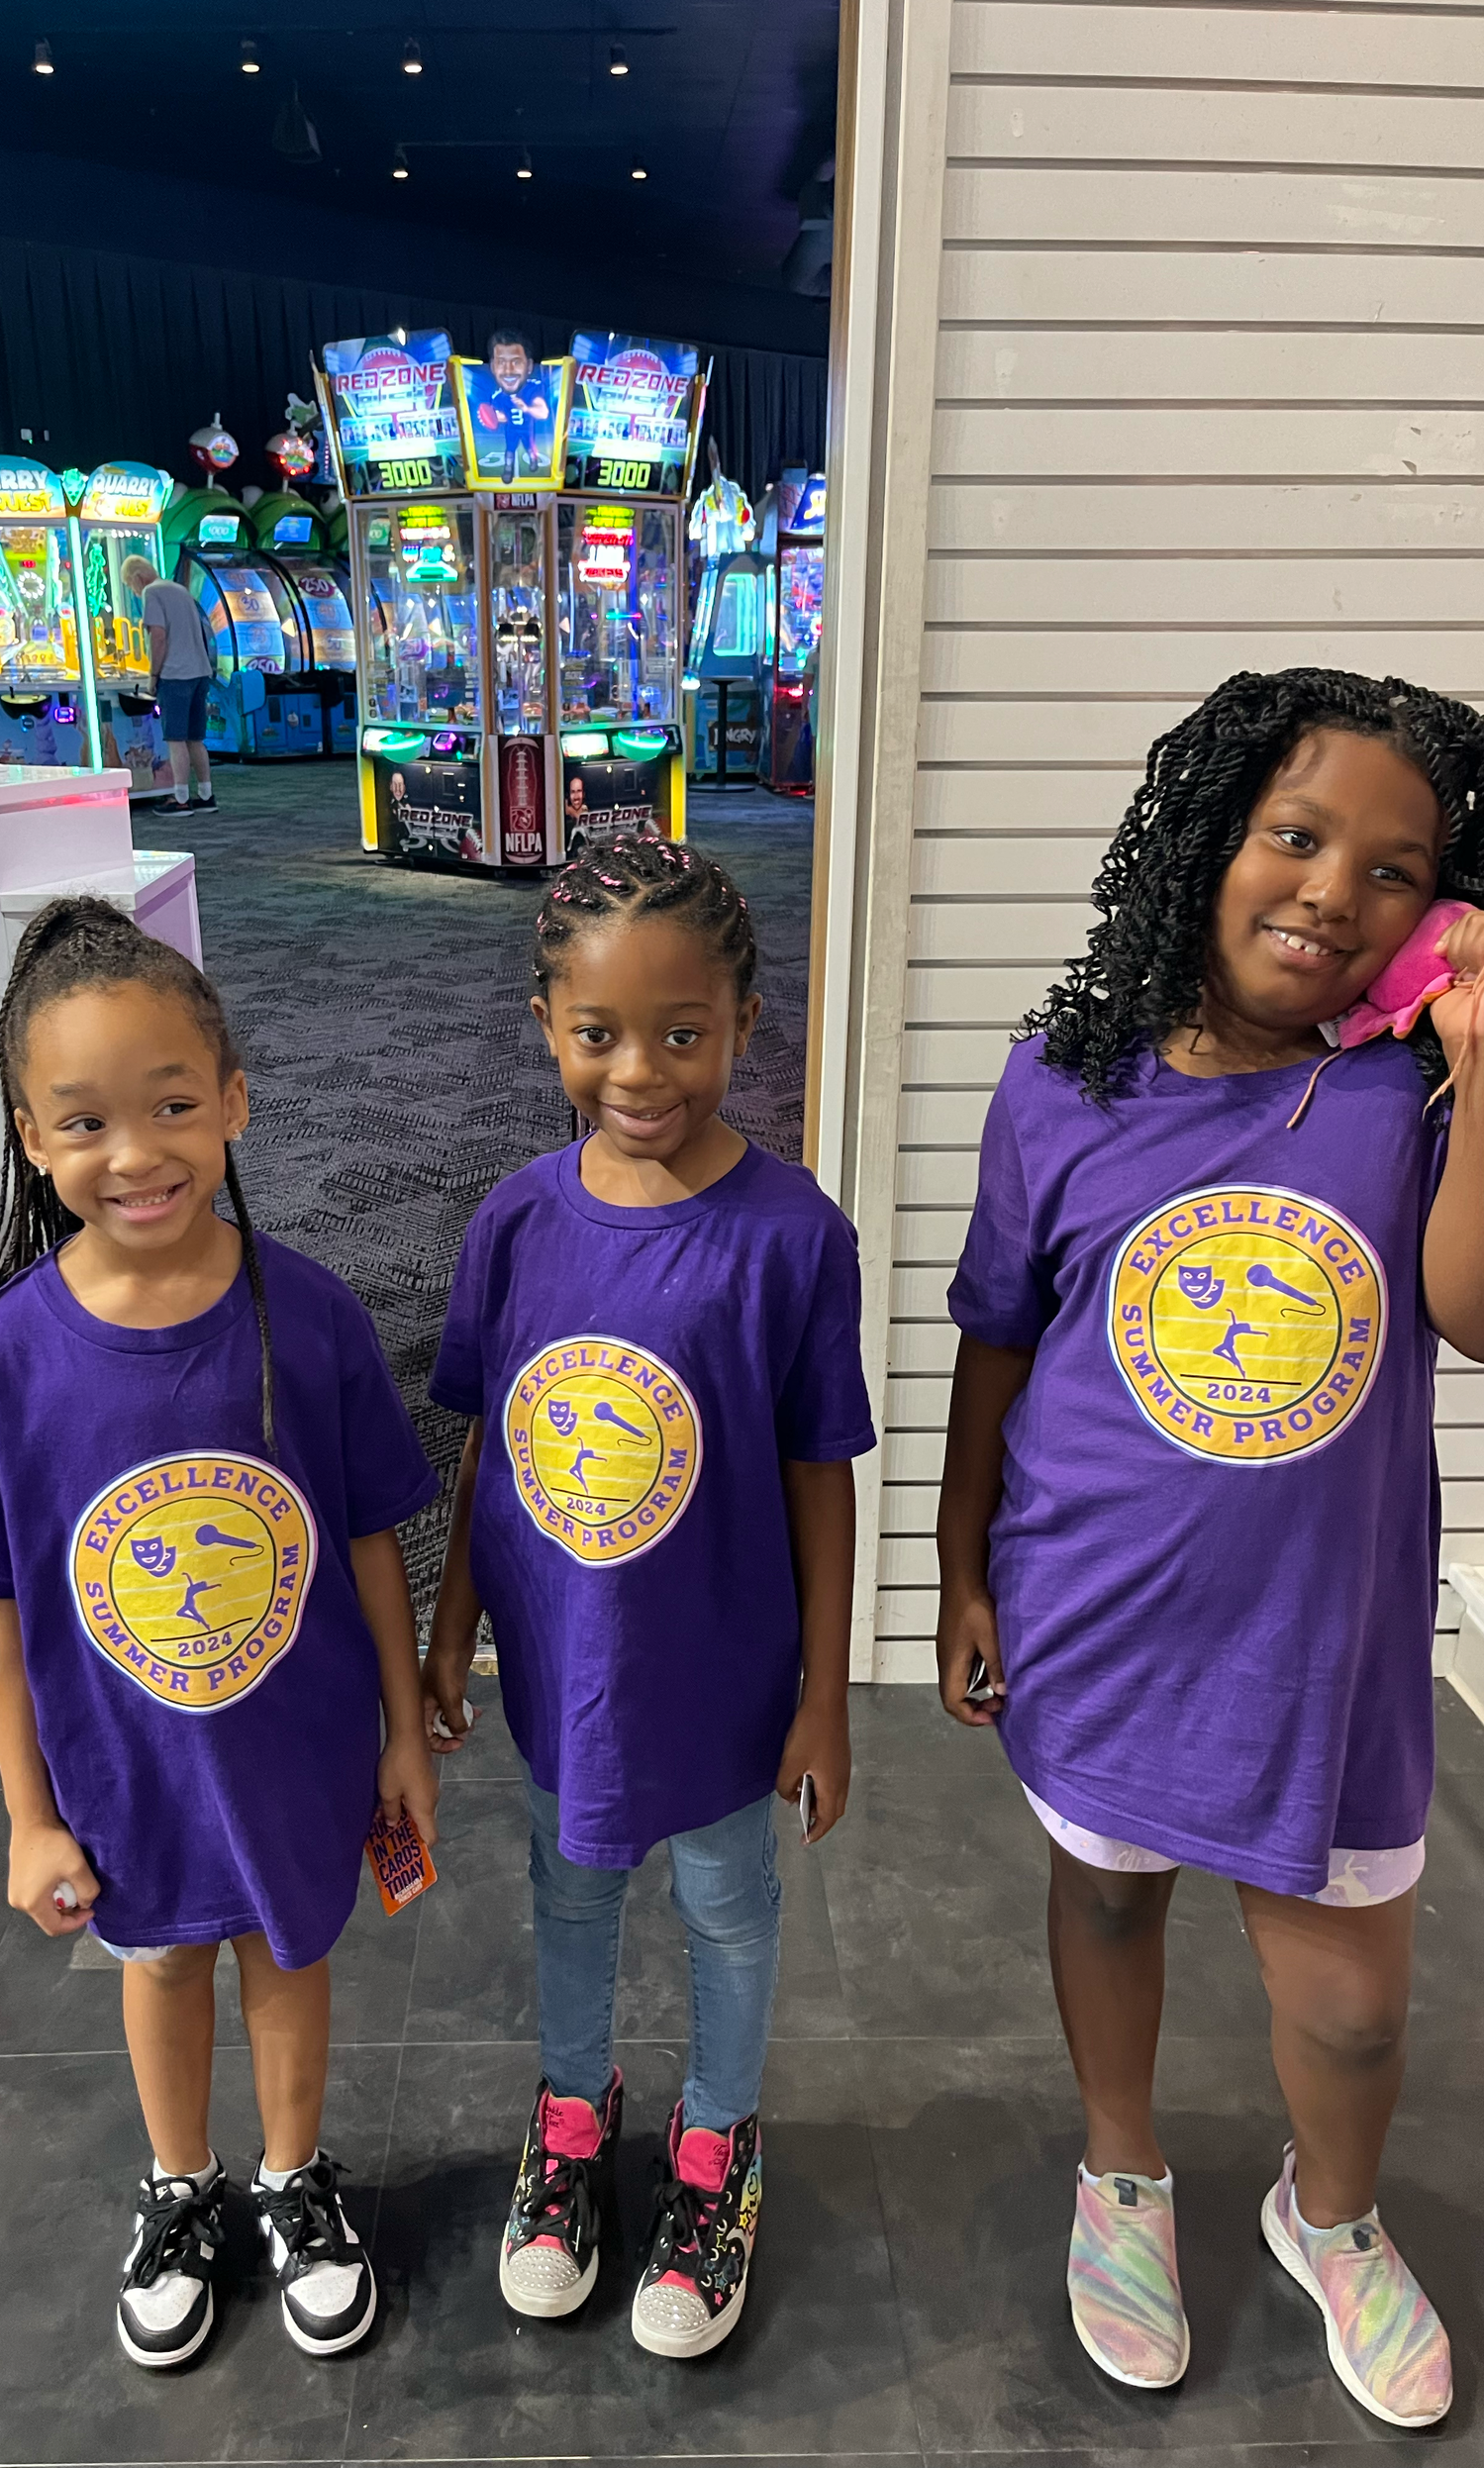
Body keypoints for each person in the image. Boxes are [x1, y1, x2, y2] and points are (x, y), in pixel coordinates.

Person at [934, 668, 1484, 2429]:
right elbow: (1002, 1331)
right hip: (1100, 1606)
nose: (1331, 892)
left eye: (1397, 870)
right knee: (1109, 1892)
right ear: (1206, 843)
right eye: (1295, 835)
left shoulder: (1427, 1102)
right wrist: (961, 1560)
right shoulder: (1065, 1081)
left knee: (1357, 2009)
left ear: (1447, 910)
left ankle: (1336, 2214)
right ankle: (1123, 2173)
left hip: (1327, 1650)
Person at [0, 898, 440, 2370]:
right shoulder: (4, 1366)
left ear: (235, 1102)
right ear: (29, 1137)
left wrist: (401, 1736)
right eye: (84, 1123)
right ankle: (181, 2186)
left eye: (173, 1105)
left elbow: (376, 1542)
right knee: (162, 1962)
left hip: (298, 1749)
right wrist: (24, 1820)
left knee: (285, 1949)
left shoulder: (307, 1318)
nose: (134, 1153)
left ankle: (292, 2179)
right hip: (116, 1771)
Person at [422, 835, 875, 2357]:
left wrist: (821, 1695)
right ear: (545, 1027)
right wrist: (450, 1623)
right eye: (598, 1031)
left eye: (682, 1032)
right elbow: (491, 1436)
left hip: (728, 1679)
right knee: (567, 1892)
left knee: (725, 1910)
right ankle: (568, 2122)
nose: (640, 1068)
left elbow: (822, 1470)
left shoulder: (794, 1236)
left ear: (745, 1025)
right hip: (564, 1669)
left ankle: (715, 2142)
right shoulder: (515, 1221)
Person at [124, 553, 217, 816]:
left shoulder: (151, 593)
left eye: (131, 586)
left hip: (176, 675)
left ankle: (180, 799)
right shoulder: (180, 590)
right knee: (195, 739)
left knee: (175, 739)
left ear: (138, 578)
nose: (134, 591)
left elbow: (159, 637)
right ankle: (206, 796)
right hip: (200, 672)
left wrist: (153, 675)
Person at [470, 331, 553, 482]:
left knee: (530, 449)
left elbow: (543, 413)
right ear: (493, 367)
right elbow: (496, 418)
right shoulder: (497, 397)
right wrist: (494, 418)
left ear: (528, 366)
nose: (508, 370)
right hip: (511, 430)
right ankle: (508, 471)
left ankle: (533, 460)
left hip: (527, 430)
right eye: (501, 362)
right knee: (509, 451)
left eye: (516, 362)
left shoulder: (533, 388)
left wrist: (527, 409)